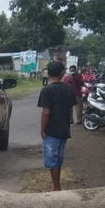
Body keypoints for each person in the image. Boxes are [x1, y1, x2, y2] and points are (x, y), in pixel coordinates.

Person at [37, 61, 76, 191]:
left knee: (51, 160)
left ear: (48, 73)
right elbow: (70, 109)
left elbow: (46, 112)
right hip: (63, 128)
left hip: (51, 130)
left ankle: (56, 186)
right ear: (62, 73)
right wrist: (69, 121)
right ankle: (57, 185)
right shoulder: (68, 88)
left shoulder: (47, 90)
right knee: (58, 158)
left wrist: (42, 129)